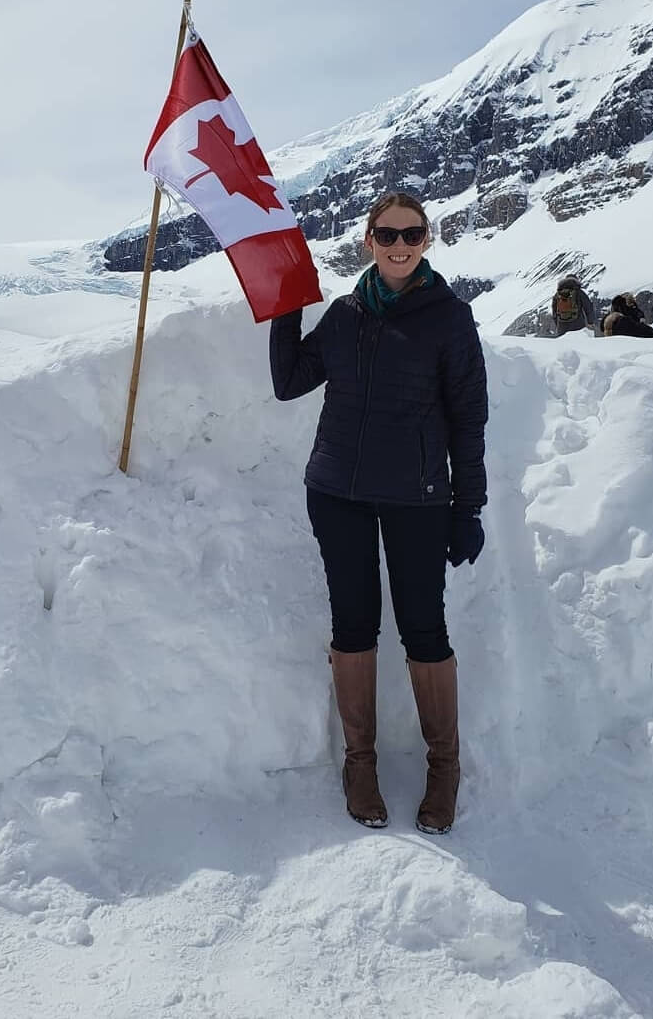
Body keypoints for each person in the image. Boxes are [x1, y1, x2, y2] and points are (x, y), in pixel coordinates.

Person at [269, 192, 488, 835]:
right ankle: (358, 763)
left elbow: (468, 421)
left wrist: (466, 507)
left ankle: (444, 767)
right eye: (387, 233)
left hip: (418, 499)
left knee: (423, 629)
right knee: (353, 624)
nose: (399, 243)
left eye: (412, 233)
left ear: (427, 240)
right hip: (337, 492)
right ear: (367, 239)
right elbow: (289, 382)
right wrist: (286, 310)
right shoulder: (345, 315)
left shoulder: (449, 319)